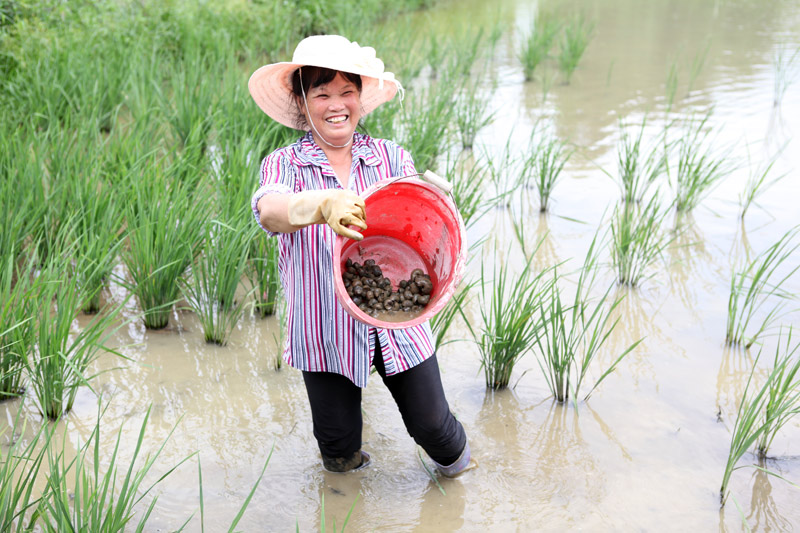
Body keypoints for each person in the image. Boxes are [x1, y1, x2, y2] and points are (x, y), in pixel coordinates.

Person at [248, 35, 472, 475]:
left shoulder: (390, 157)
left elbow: (424, 223)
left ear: (360, 98)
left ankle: (462, 478)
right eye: (322, 93)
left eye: (347, 92)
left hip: (397, 322)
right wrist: (318, 205)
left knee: (435, 431)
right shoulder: (285, 165)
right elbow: (269, 210)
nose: (337, 105)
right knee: (338, 451)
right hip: (325, 325)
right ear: (302, 100)